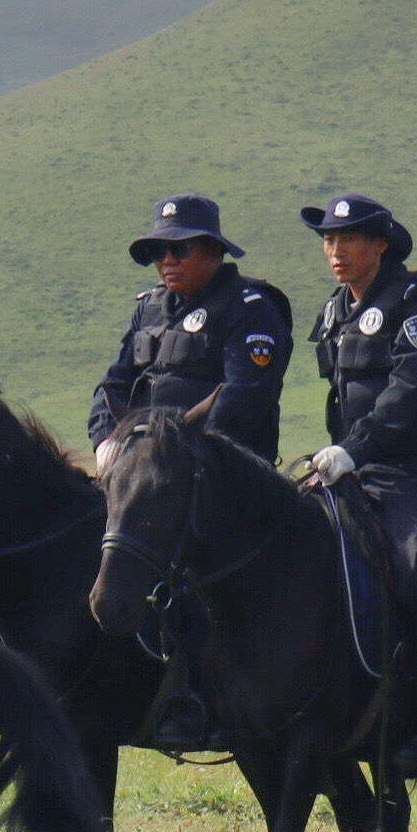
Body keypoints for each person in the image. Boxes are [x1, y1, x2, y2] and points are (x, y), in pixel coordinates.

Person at [87, 192, 292, 752]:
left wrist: (171, 457)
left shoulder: (250, 307)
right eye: (158, 251)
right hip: (144, 477)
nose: (167, 261)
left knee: (192, 582)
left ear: (213, 250)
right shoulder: (149, 307)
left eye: (179, 250)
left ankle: (196, 698)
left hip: (218, 483)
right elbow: (112, 385)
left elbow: (244, 398)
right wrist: (107, 439)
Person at [303, 193, 417, 775]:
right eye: (329, 240)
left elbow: (411, 388)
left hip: (409, 474)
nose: (337, 250)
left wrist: (353, 450)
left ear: (380, 243)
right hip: (345, 467)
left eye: (349, 238)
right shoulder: (335, 311)